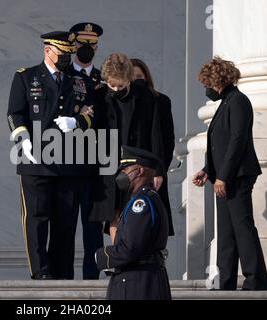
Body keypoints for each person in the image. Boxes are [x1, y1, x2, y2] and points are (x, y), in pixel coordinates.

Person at [7, 31, 93, 280]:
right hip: (34, 161)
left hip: (68, 160)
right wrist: (22, 139)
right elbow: (15, 113)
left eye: (69, 54)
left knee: (65, 222)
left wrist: (77, 121)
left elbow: (92, 111)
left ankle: (63, 272)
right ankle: (40, 271)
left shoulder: (80, 81)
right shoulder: (26, 77)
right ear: (48, 51)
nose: (67, 58)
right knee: (36, 218)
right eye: (62, 54)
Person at [192, 56, 267, 290]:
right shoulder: (226, 102)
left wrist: (223, 176)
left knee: (242, 228)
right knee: (226, 232)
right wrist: (208, 170)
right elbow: (221, 143)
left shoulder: (238, 101)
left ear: (217, 81)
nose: (206, 89)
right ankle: (226, 281)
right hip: (223, 177)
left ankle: (255, 281)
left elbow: (237, 141)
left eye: (207, 84)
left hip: (236, 177)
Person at [90, 53, 165, 244]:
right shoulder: (98, 96)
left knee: (139, 211)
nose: (115, 89)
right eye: (111, 85)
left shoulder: (147, 98)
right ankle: (118, 259)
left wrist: (157, 170)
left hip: (139, 165)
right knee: (114, 215)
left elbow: (155, 135)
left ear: (129, 79)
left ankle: (136, 261)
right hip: (109, 165)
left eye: (120, 86)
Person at [95, 146, 171, 300]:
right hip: (139, 279)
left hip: (138, 284)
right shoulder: (141, 199)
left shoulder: (141, 203)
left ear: (140, 171)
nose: (122, 174)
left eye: (126, 169)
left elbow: (130, 248)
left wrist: (101, 256)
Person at [68, 22, 104, 280]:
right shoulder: (63, 78)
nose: (87, 48)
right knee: (65, 225)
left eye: (92, 43)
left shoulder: (104, 80)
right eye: (82, 43)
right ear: (73, 44)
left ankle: (93, 276)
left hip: (94, 162)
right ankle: (62, 278)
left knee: (93, 226)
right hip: (66, 160)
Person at [130, 58, 175, 236]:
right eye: (131, 77)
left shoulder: (161, 101)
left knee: (153, 216)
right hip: (128, 170)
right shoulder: (122, 102)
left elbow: (167, 139)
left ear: (146, 77)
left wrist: (159, 169)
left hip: (153, 167)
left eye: (139, 76)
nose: (136, 81)